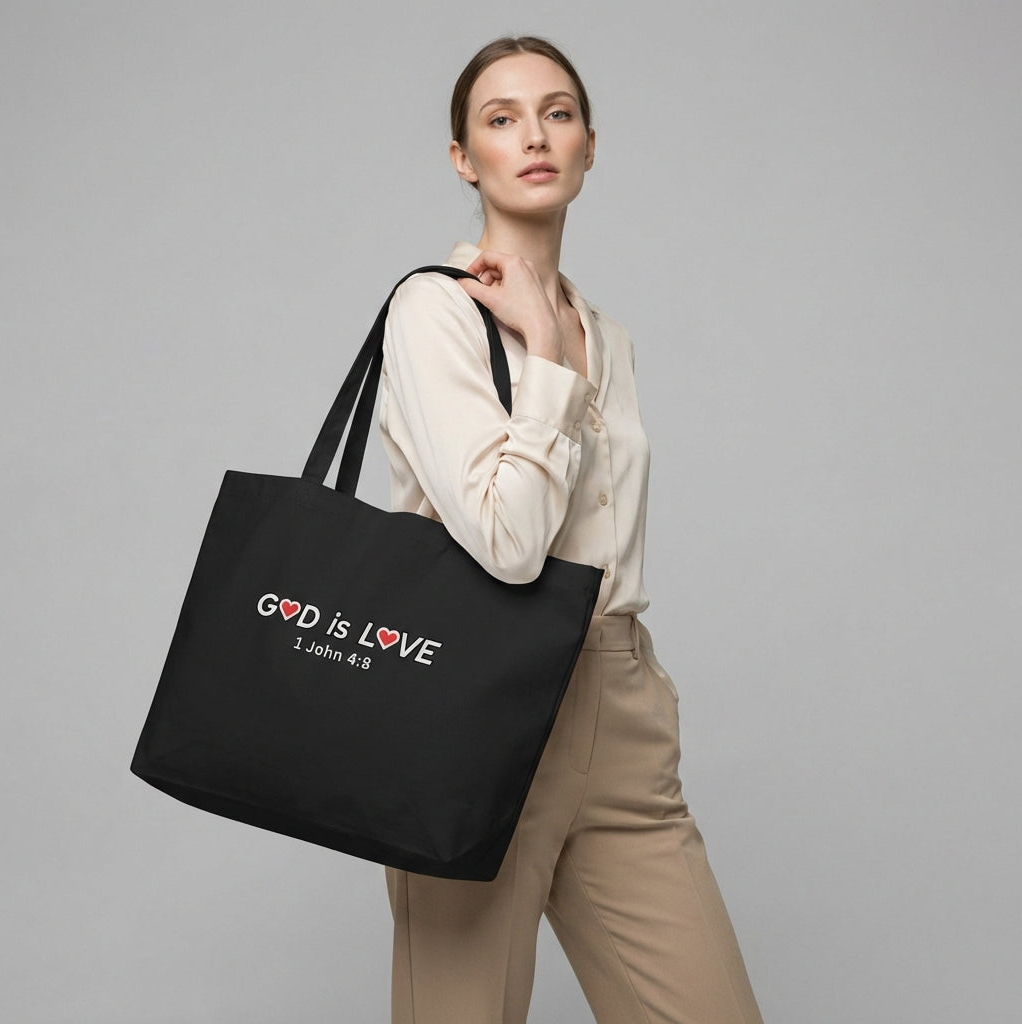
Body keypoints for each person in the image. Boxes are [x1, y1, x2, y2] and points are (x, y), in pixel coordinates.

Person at [378, 35, 764, 1024]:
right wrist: (542, 349)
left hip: (618, 702)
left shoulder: (610, 334)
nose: (533, 136)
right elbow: (508, 544)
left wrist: (560, 333)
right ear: (464, 158)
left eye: (556, 113)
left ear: (590, 144)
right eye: (499, 118)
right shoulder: (435, 314)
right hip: (477, 708)